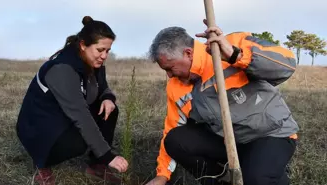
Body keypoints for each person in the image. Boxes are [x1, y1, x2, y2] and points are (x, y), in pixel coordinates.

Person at [145, 19, 299, 185]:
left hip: (269, 134)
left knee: (256, 179)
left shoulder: (230, 45)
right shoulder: (176, 87)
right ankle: (222, 178)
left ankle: (268, 171)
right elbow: (172, 128)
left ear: (188, 53)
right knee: (175, 140)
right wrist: (162, 175)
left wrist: (235, 56)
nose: (169, 75)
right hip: (228, 142)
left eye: (170, 68)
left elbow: (287, 64)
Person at [16, 16, 128, 185]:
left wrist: (107, 98)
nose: (104, 56)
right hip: (39, 128)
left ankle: (97, 165)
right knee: (79, 141)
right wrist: (108, 155)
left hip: (60, 117)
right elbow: (80, 115)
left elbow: (103, 86)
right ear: (83, 45)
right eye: (100, 50)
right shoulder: (62, 69)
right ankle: (42, 164)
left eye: (108, 50)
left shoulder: (92, 61)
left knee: (109, 110)